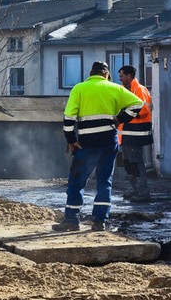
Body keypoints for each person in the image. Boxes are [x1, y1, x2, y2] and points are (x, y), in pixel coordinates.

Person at [54, 61, 143, 232]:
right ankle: (100, 221)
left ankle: (72, 220)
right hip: (109, 141)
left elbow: (68, 118)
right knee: (104, 182)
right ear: (106, 74)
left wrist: (71, 139)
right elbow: (138, 103)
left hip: (87, 143)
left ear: (90, 73)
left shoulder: (79, 88)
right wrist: (120, 118)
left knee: (77, 181)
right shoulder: (115, 88)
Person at [117, 65, 153, 202]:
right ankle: (136, 190)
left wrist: (125, 113)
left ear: (129, 76)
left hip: (136, 134)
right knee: (129, 164)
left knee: (137, 163)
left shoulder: (139, 90)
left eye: (122, 76)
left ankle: (143, 193)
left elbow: (143, 111)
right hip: (127, 134)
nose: (120, 79)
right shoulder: (126, 90)